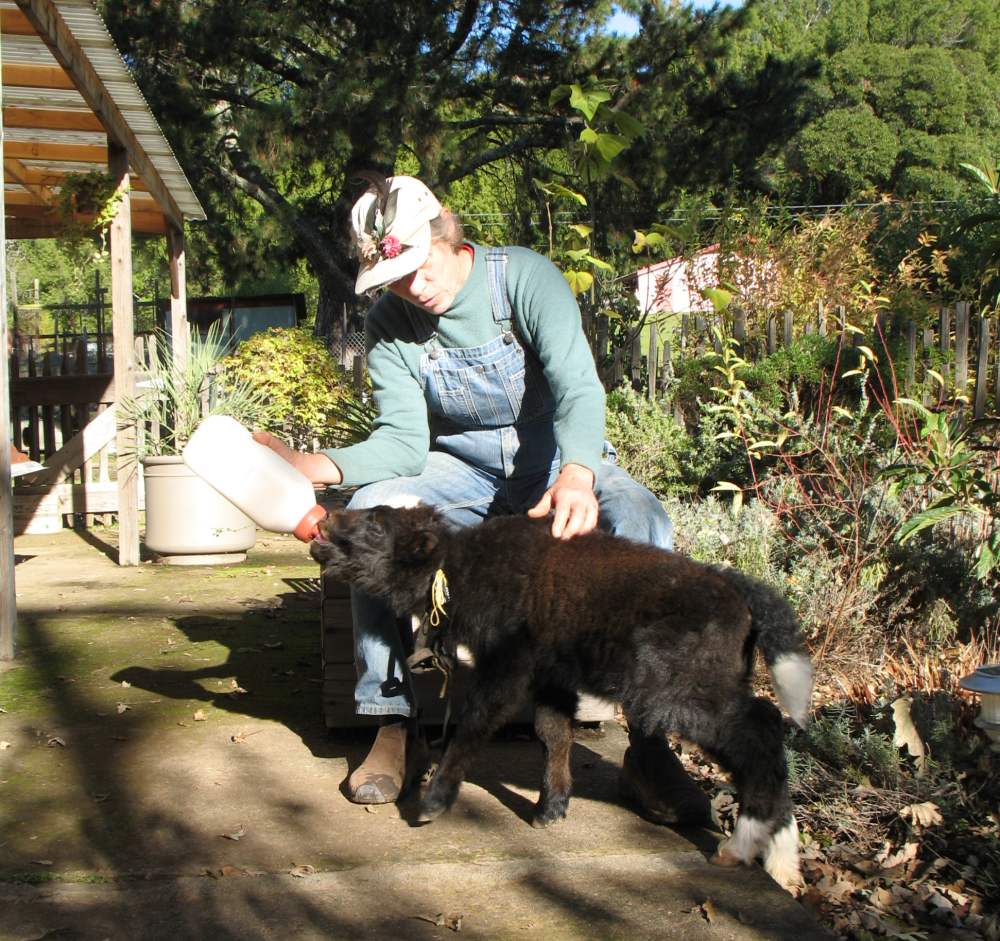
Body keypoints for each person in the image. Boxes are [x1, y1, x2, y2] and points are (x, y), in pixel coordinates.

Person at [256, 174, 706, 823]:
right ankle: (392, 721)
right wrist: (310, 465)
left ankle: (650, 744)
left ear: (447, 232)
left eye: (420, 266)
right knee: (376, 516)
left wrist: (578, 473)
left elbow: (579, 387)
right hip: (459, 470)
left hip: (554, 459)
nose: (413, 287)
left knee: (642, 520)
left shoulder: (523, 280)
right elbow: (402, 443)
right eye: (395, 278)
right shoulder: (390, 325)